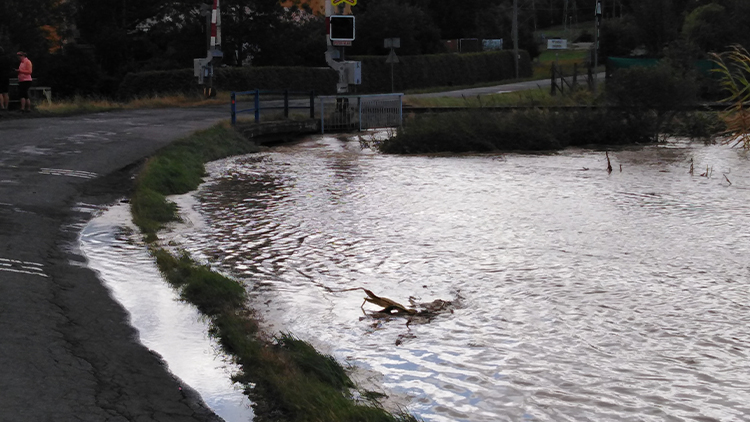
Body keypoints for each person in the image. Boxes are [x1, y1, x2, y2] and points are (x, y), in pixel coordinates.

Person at [0, 47, 11, 112]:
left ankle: (2, 106)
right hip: (6, 77)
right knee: (6, 92)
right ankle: (6, 107)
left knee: (0, 93)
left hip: (0, 76)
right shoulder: (7, 59)